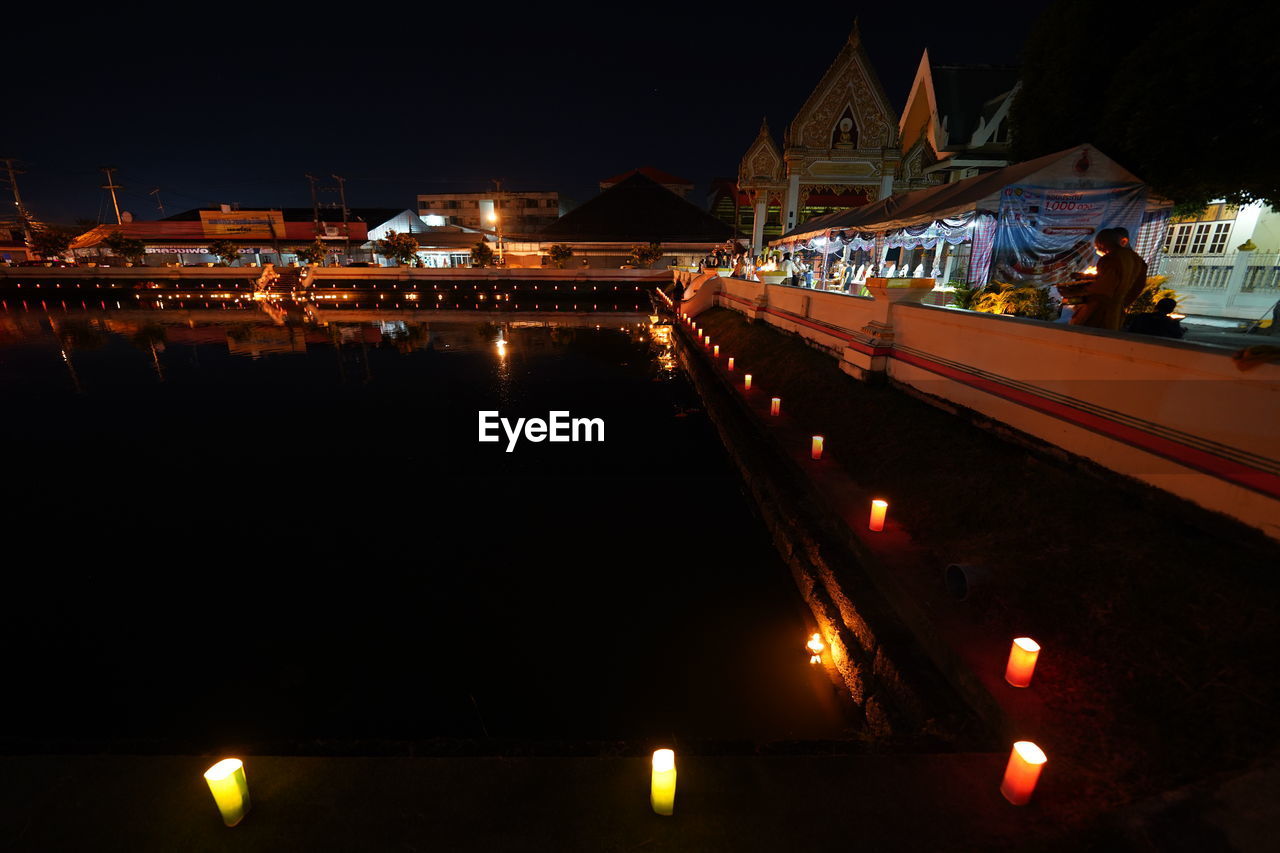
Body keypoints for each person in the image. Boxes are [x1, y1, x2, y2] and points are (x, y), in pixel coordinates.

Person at [1062, 228, 1144, 330]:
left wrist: (1074, 292)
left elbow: (1104, 287)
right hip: (1118, 310)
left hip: (1099, 310)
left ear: (1101, 244)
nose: (1097, 251)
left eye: (1097, 247)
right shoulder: (1137, 260)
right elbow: (1135, 286)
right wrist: (1085, 276)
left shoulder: (1111, 258)